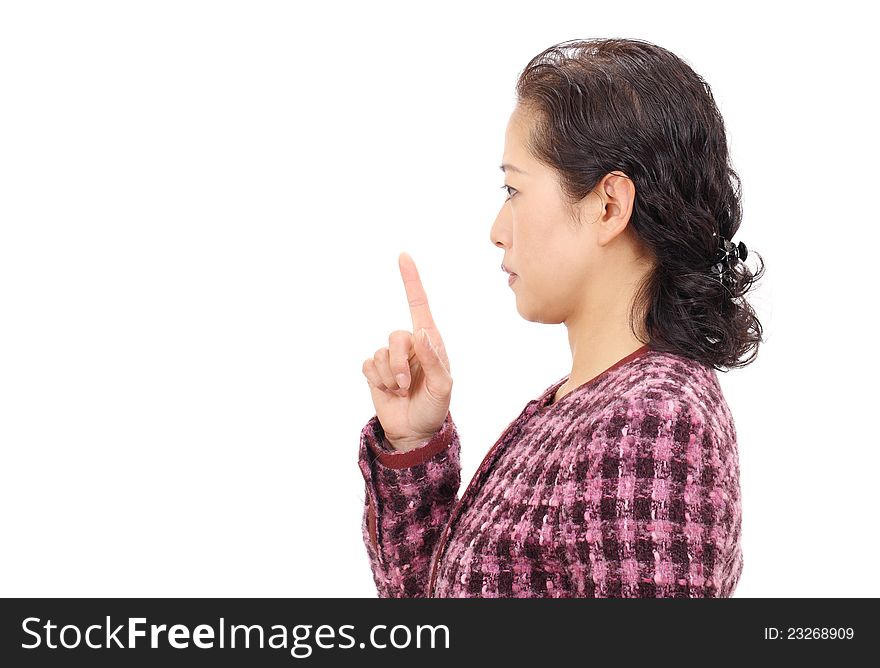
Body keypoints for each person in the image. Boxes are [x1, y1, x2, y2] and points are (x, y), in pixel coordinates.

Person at [357, 37, 764, 598]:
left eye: (514, 188)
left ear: (608, 206)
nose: (498, 229)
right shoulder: (582, 405)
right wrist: (413, 446)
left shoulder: (654, 420)